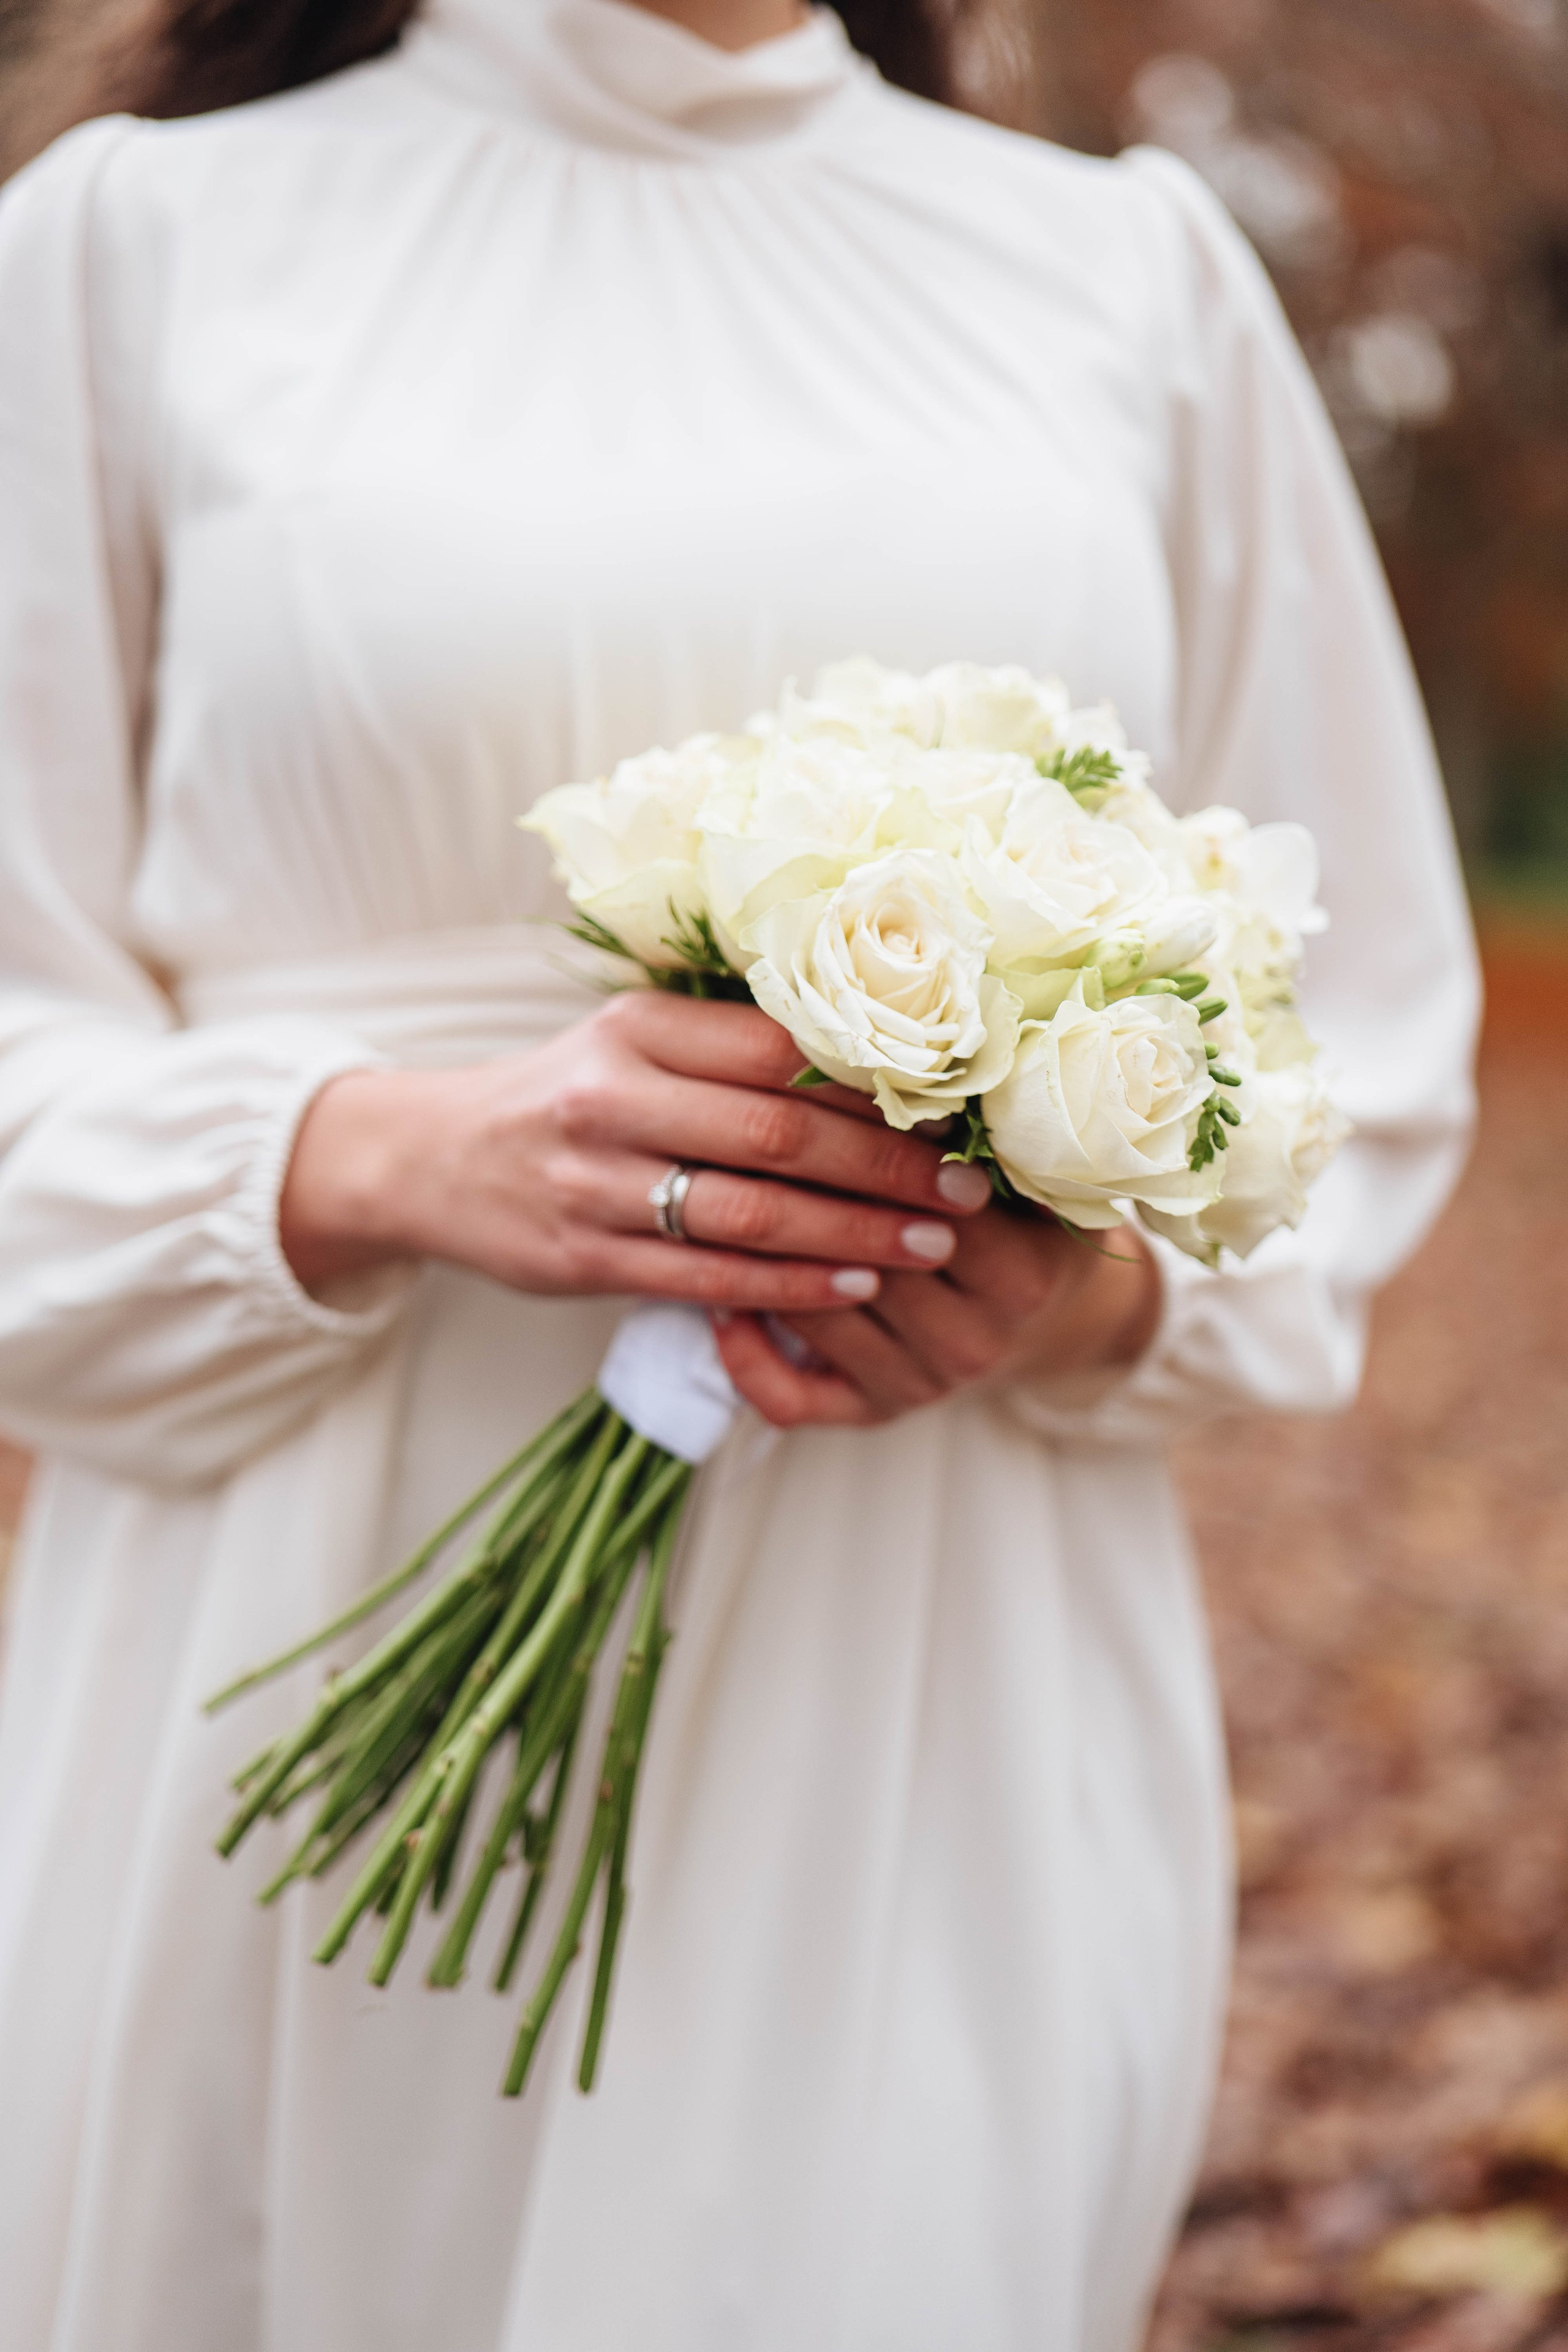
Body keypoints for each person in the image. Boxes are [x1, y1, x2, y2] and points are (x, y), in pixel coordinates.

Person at [0, 1, 1479, 2346]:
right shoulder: (128, 249)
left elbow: (1363, 1021)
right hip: (295, 1635)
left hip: (936, 1650)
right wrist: (377, 1151)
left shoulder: (1130, 277)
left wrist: (1087, 1296)